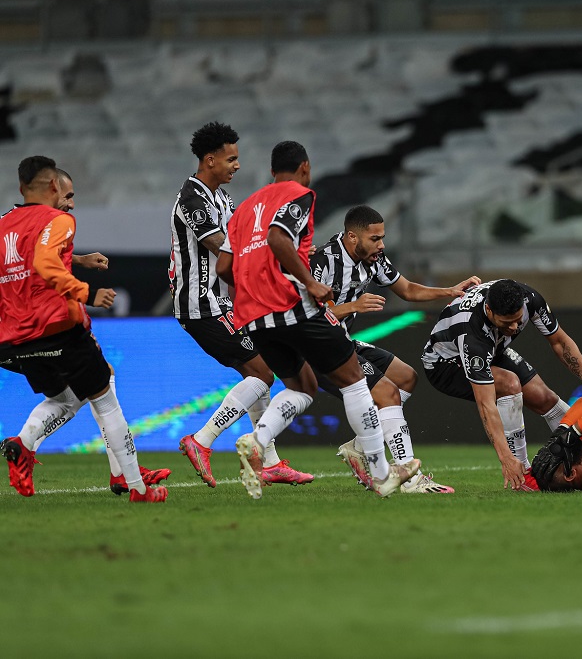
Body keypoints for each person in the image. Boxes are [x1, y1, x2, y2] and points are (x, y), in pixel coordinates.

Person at [217, 140, 419, 499]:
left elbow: (224, 267)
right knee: (355, 381)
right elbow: (279, 238)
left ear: (270, 171)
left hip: (253, 316)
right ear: (305, 168)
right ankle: (382, 473)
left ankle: (257, 439)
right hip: (290, 307)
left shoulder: (244, 208)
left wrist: (253, 289)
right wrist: (309, 281)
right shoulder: (300, 195)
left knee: (302, 387)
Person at [0, 156, 166, 501]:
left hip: (17, 338)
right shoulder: (60, 220)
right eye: (68, 194)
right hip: (58, 326)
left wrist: (76, 259)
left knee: (65, 396)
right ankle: (134, 485)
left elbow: (27, 257)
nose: (72, 203)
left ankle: (24, 443)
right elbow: (44, 262)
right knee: (104, 397)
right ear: (53, 187)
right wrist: (87, 292)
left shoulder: (4, 224)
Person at [170, 122, 313, 490]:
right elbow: (224, 248)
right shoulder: (192, 198)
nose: (236, 165)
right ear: (210, 159)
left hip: (222, 303)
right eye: (231, 159)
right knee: (264, 373)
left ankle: (269, 462)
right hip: (200, 304)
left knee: (259, 377)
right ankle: (201, 441)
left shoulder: (222, 198)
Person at [310, 205, 480, 493]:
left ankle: (360, 445)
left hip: (340, 340)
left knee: (405, 378)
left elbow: (409, 290)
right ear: (353, 237)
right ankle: (409, 478)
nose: (382, 244)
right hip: (315, 346)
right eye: (375, 239)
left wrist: (450, 291)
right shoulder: (322, 261)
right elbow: (306, 315)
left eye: (382, 237)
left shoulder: (374, 260)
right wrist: (353, 306)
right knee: (387, 393)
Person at [421, 278, 582, 490]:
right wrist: (505, 458)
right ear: (489, 310)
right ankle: (522, 475)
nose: (515, 327)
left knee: (545, 398)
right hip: (445, 364)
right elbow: (486, 405)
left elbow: (559, 341)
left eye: (517, 320)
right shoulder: (472, 335)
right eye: (507, 322)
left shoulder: (530, 298)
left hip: (494, 348)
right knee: (509, 383)